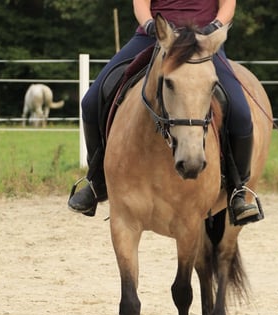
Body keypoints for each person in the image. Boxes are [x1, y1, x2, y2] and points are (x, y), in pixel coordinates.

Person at [68, 0, 261, 225]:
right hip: (156, 36)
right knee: (91, 102)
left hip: (202, 40)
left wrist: (212, 27)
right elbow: (140, 4)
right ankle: (96, 181)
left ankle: (239, 190)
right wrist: (151, 25)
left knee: (240, 113)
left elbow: (228, 5)